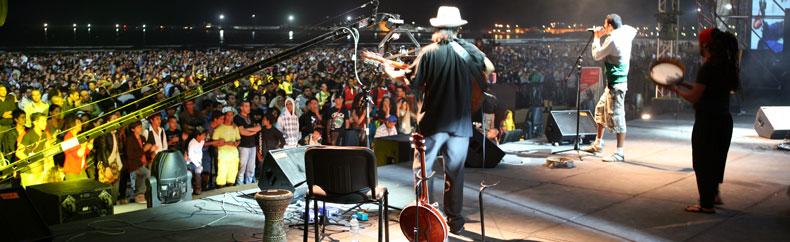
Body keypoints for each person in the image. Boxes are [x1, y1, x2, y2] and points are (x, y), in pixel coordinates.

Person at [383, 6, 494, 234]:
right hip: (461, 125)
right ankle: (455, 221)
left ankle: (426, 217)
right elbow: (489, 68)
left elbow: (410, 81)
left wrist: (387, 68)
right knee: (455, 173)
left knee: (422, 170)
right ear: (457, 29)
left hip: (433, 124)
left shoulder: (429, 52)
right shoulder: (468, 50)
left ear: (436, 29)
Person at [670, 28, 740, 214]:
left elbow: (694, 97)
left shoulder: (708, 67)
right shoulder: (725, 64)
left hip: (708, 121)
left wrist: (676, 91)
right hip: (724, 120)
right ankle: (714, 194)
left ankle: (706, 204)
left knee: (702, 163)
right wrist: (683, 84)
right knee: (716, 160)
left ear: (706, 45)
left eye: (699, 42)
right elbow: (706, 88)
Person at [582, 14, 637, 162]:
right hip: (613, 84)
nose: (603, 27)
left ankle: (619, 152)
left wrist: (596, 37)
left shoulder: (612, 40)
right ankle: (598, 143)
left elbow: (596, 55)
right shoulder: (627, 32)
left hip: (616, 85)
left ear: (611, 26)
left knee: (618, 118)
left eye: (605, 25)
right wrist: (605, 31)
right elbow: (629, 29)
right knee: (600, 110)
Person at [123, 121, 156, 204]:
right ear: (132, 129)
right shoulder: (129, 140)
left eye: (141, 126)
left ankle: (145, 194)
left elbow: (145, 152)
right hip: (134, 164)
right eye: (138, 127)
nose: (140, 128)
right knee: (146, 173)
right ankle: (139, 194)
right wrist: (144, 149)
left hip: (143, 162)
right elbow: (131, 155)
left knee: (150, 170)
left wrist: (151, 150)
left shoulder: (142, 138)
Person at [234, 100, 261, 185]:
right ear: (241, 107)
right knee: (242, 166)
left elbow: (259, 128)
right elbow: (242, 132)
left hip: (252, 145)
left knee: (251, 167)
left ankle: (248, 184)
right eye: (246, 106)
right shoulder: (237, 118)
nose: (248, 108)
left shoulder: (251, 117)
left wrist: (247, 129)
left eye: (249, 106)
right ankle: (240, 184)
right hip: (243, 145)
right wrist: (253, 131)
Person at [213, 107, 241, 187]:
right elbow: (214, 143)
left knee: (233, 173)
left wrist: (237, 143)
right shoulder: (218, 129)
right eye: (228, 115)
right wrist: (226, 143)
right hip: (223, 155)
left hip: (234, 154)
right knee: (222, 174)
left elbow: (238, 139)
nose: (230, 117)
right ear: (224, 116)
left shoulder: (235, 127)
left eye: (231, 115)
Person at [62, 115, 93, 180]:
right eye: (78, 122)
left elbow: (85, 152)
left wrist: (91, 142)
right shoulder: (68, 137)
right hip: (72, 171)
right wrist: (84, 144)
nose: (81, 124)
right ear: (72, 124)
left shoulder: (77, 136)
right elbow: (78, 154)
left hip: (81, 169)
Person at [185, 127, 207, 195]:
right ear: (198, 135)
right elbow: (191, 156)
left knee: (199, 171)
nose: (205, 136)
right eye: (203, 135)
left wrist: (200, 163)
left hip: (198, 162)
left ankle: (197, 189)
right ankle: (197, 189)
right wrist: (198, 165)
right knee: (197, 172)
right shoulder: (192, 143)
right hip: (191, 163)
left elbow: (199, 153)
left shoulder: (202, 142)